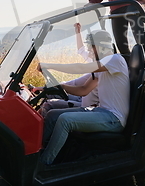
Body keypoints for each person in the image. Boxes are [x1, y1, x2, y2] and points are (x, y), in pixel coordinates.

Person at [37, 30, 129, 165]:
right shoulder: (104, 67)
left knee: (65, 120)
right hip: (101, 112)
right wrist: (59, 87)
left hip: (113, 118)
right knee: (51, 115)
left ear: (101, 47)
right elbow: (83, 90)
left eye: (91, 47)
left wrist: (49, 65)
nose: (89, 51)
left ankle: (44, 164)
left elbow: (81, 67)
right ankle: (39, 152)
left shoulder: (115, 60)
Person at [36, 23, 99, 117]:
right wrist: (78, 32)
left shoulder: (97, 67)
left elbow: (76, 82)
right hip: (83, 98)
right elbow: (81, 50)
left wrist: (54, 86)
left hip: (87, 103)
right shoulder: (92, 60)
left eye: (90, 48)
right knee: (50, 94)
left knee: (49, 104)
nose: (88, 50)